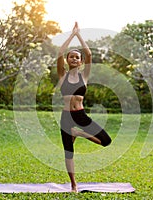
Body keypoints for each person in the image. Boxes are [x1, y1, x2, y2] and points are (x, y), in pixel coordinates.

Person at [57, 22, 112, 192]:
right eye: (71, 56)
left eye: (77, 57)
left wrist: (78, 35)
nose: (74, 58)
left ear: (80, 62)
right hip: (66, 116)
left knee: (106, 141)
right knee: (68, 152)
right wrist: (71, 35)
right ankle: (73, 184)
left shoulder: (84, 77)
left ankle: (79, 133)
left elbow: (88, 53)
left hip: (81, 115)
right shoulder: (62, 75)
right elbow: (59, 52)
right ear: (67, 61)